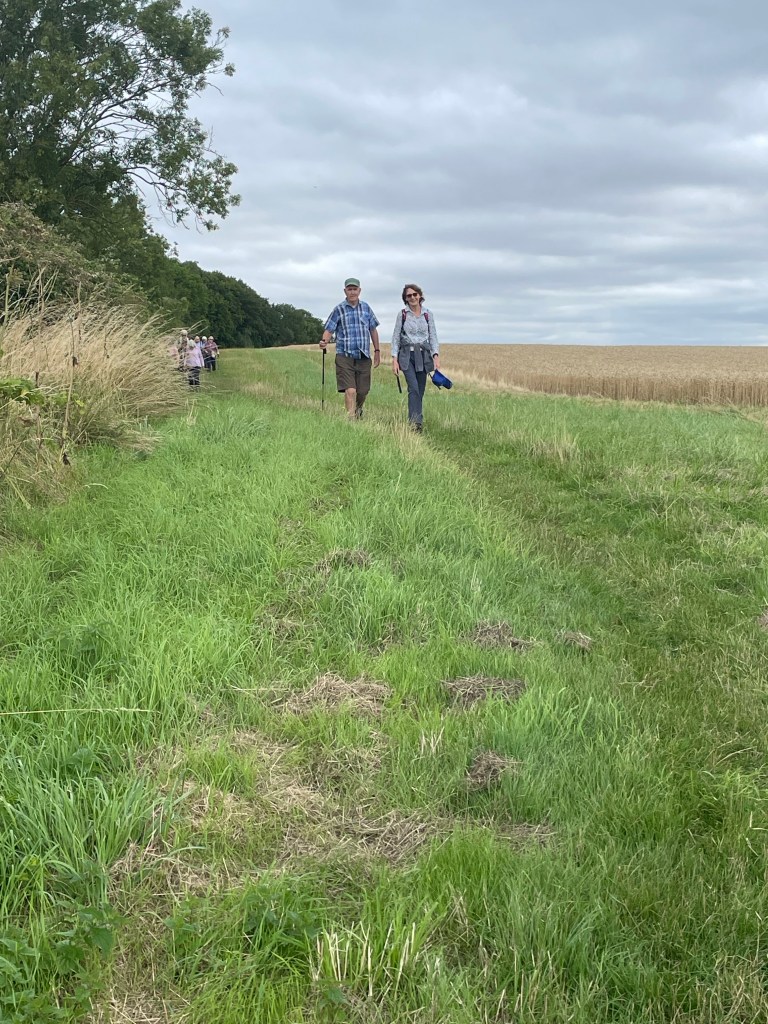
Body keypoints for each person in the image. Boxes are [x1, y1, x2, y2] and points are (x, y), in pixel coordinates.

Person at [320, 278, 381, 419]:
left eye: (355, 289)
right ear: (345, 291)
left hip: (363, 355)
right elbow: (329, 329)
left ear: (359, 291)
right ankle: (351, 420)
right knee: (351, 390)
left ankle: (358, 409)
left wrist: (377, 351)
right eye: (349, 289)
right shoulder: (339, 309)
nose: (352, 292)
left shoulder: (366, 308)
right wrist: (324, 341)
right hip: (344, 355)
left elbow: (373, 330)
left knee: (363, 391)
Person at [391, 283, 441, 432]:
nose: (412, 297)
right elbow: (396, 337)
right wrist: (394, 359)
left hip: (423, 356)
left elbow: (433, 336)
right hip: (407, 356)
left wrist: (436, 355)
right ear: (405, 298)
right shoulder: (402, 314)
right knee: (413, 388)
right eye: (409, 295)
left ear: (419, 296)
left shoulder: (428, 314)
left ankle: (417, 419)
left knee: (420, 389)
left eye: (415, 294)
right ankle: (415, 424)